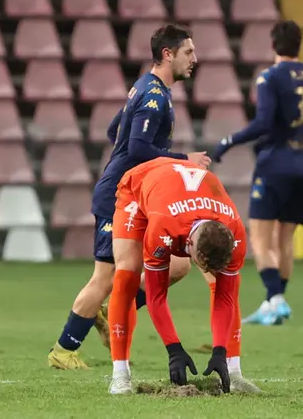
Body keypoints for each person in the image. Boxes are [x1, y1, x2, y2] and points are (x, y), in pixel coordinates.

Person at [48, 25, 211, 370]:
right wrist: (183, 160)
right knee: (105, 277)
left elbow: (114, 131)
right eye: (188, 53)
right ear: (168, 54)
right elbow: (137, 147)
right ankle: (63, 351)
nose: (195, 59)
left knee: (179, 264)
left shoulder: (146, 86)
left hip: (136, 195)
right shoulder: (154, 97)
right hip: (117, 197)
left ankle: (110, 309)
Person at [107, 157, 260, 395]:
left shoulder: (236, 231)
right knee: (127, 275)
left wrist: (219, 350)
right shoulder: (164, 227)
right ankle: (120, 375)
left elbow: (226, 298)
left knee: (230, 286)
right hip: (140, 186)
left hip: (181, 194)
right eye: (204, 265)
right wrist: (174, 349)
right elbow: (157, 296)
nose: (207, 272)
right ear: (188, 245)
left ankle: (234, 371)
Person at [212, 20, 303, 326]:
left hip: (275, 167)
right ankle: (273, 302)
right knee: (285, 239)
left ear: (273, 44)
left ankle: (275, 299)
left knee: (261, 238)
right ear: (299, 44)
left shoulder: (269, 77)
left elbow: (263, 122)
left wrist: (229, 142)